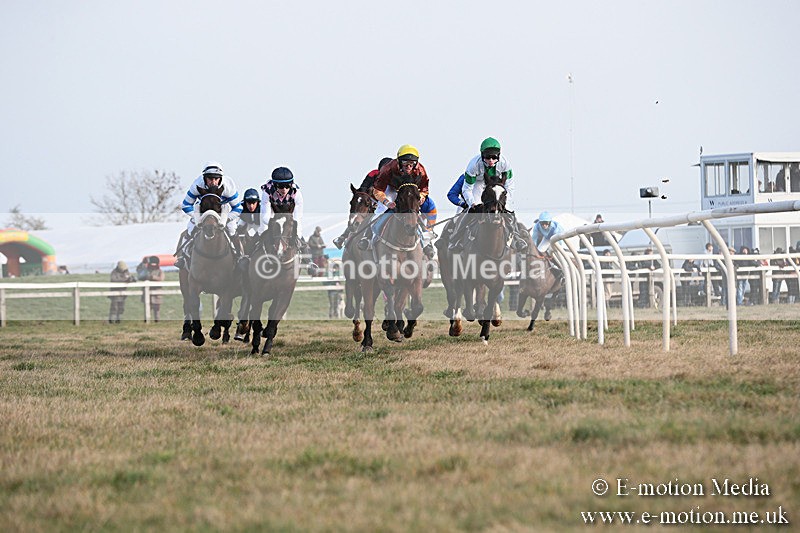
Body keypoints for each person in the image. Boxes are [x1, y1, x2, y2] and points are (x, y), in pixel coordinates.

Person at [449, 137, 526, 252]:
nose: (491, 160)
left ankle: (517, 237)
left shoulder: (505, 164)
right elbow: (467, 189)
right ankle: (457, 239)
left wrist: (504, 203)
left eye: (494, 157)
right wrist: (472, 203)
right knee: (471, 211)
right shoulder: (473, 165)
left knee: (509, 210)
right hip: (477, 184)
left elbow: (510, 187)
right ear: (482, 155)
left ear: (499, 156)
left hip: (496, 186)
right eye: (487, 157)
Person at [358, 145, 436, 259]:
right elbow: (377, 190)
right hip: (391, 188)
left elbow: (424, 189)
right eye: (405, 163)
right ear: (399, 161)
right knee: (381, 211)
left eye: (412, 163)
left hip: (409, 189)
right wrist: (386, 202)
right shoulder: (388, 169)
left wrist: (421, 197)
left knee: (414, 212)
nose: (409, 166)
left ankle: (426, 243)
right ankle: (368, 237)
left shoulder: (420, 170)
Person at [175, 162, 243, 270]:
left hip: (223, 212)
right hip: (202, 213)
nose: (213, 182)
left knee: (232, 230)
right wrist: (197, 217)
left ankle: (239, 256)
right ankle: (182, 258)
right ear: (204, 178)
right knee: (190, 229)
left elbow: (238, 208)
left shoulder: (228, 186)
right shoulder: (197, 184)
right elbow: (186, 205)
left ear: (221, 178)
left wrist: (227, 219)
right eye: (210, 178)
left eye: (216, 179)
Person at [259, 167, 305, 243]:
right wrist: (276, 223)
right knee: (261, 234)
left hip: (290, 219)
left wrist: (288, 224)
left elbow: (297, 218)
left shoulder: (297, 193)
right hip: (273, 217)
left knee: (301, 242)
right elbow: (265, 217)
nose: (284, 189)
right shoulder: (267, 192)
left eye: (287, 186)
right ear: (274, 185)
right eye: (281, 186)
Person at [530, 211, 564, 278]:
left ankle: (562, 270)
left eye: (546, 223)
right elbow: (534, 239)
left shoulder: (556, 228)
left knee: (553, 251)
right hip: (547, 238)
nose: (544, 225)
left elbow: (559, 242)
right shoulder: (537, 226)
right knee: (539, 250)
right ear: (539, 222)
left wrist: (558, 249)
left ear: (550, 222)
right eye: (542, 223)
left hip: (557, 237)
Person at [141, 256, 165, 322]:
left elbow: (161, 279)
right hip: (147, 292)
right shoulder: (146, 270)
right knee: (147, 308)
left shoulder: (160, 271)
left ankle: (157, 321)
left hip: (157, 293)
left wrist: (152, 277)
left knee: (157, 309)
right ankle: (147, 320)